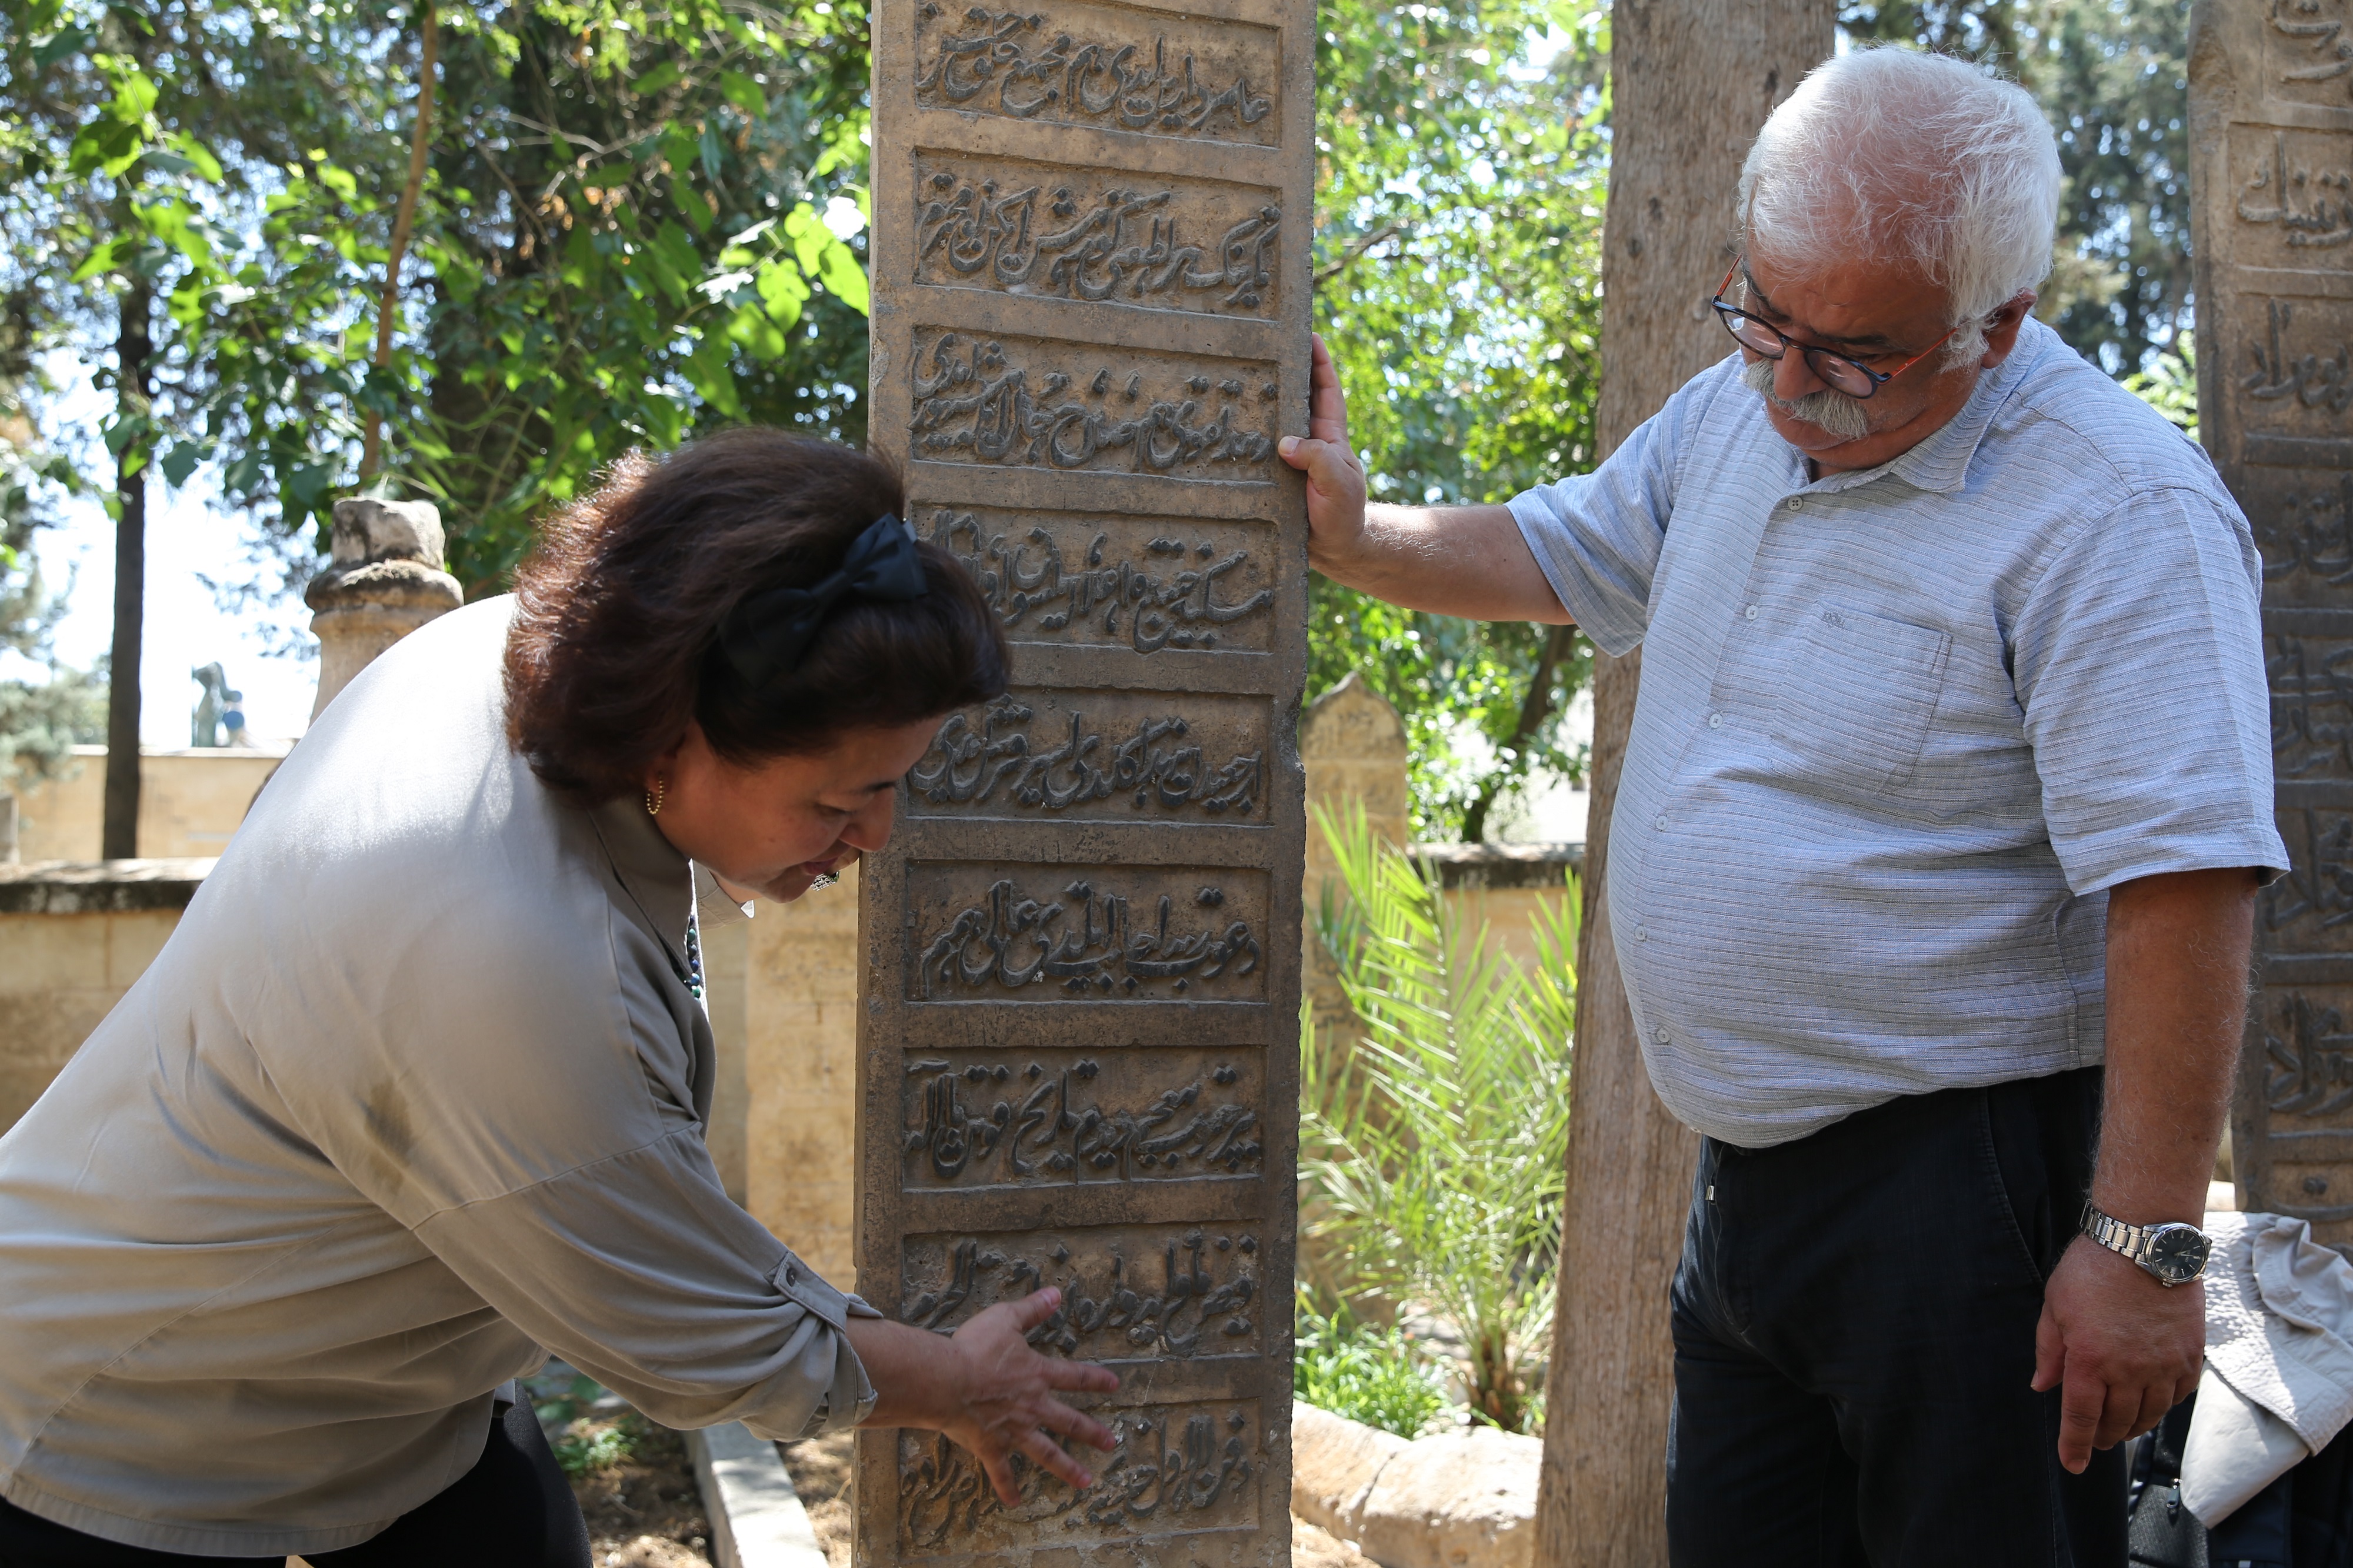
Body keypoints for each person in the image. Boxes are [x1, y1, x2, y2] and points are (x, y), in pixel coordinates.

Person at [1280, 46, 2286, 1568]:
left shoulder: (2118, 510)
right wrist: (1359, 536)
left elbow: (2187, 879)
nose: (1790, 381)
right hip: (1749, 1195)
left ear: (1998, 324)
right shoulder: (1733, 413)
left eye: (1855, 354)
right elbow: (1561, 554)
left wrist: (2142, 1246)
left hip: (1976, 1196)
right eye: (1763, 315)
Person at [0, 431, 1118, 1566]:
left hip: (396, 1392)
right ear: (671, 741)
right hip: (118, 1419)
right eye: (844, 798)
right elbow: (707, 1332)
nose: (877, 837)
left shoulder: (527, 650)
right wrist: (966, 1384)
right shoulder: (515, 956)